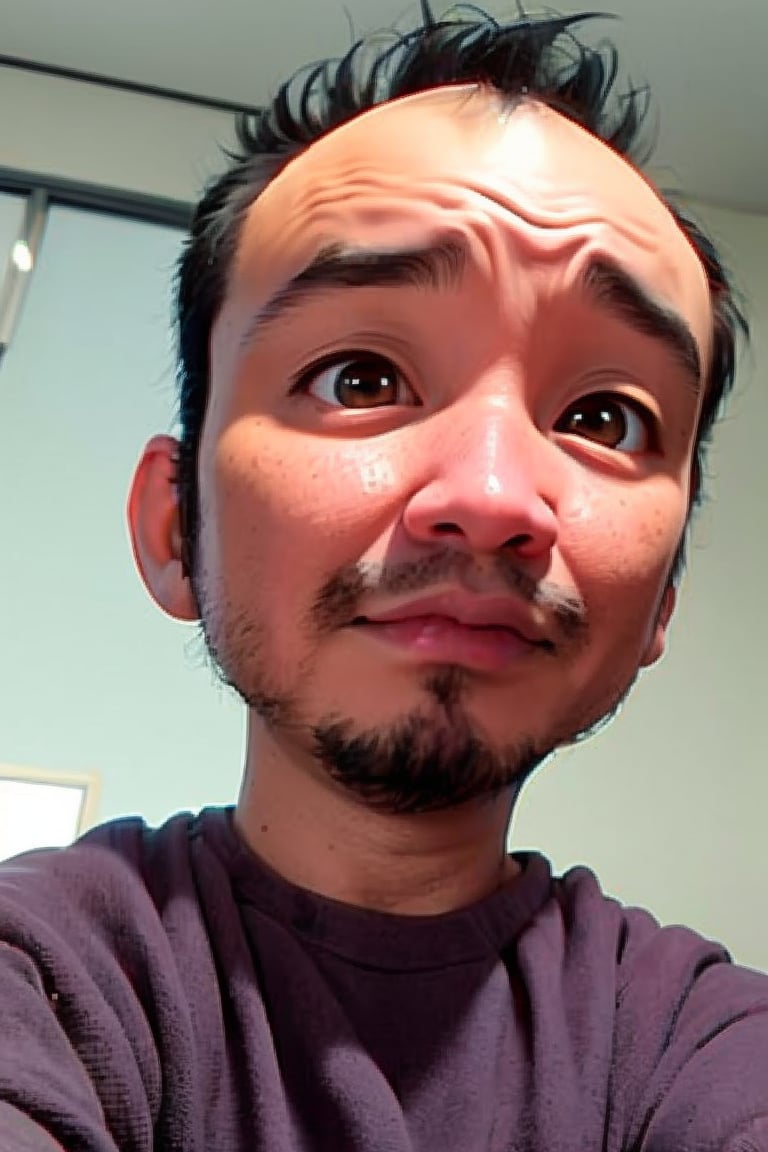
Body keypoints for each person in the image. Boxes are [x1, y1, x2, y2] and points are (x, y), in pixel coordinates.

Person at [1, 4, 766, 1150]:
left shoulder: (710, 1049)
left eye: (605, 416)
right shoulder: (42, 980)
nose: (498, 494)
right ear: (175, 525)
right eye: (359, 376)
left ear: (661, 599)